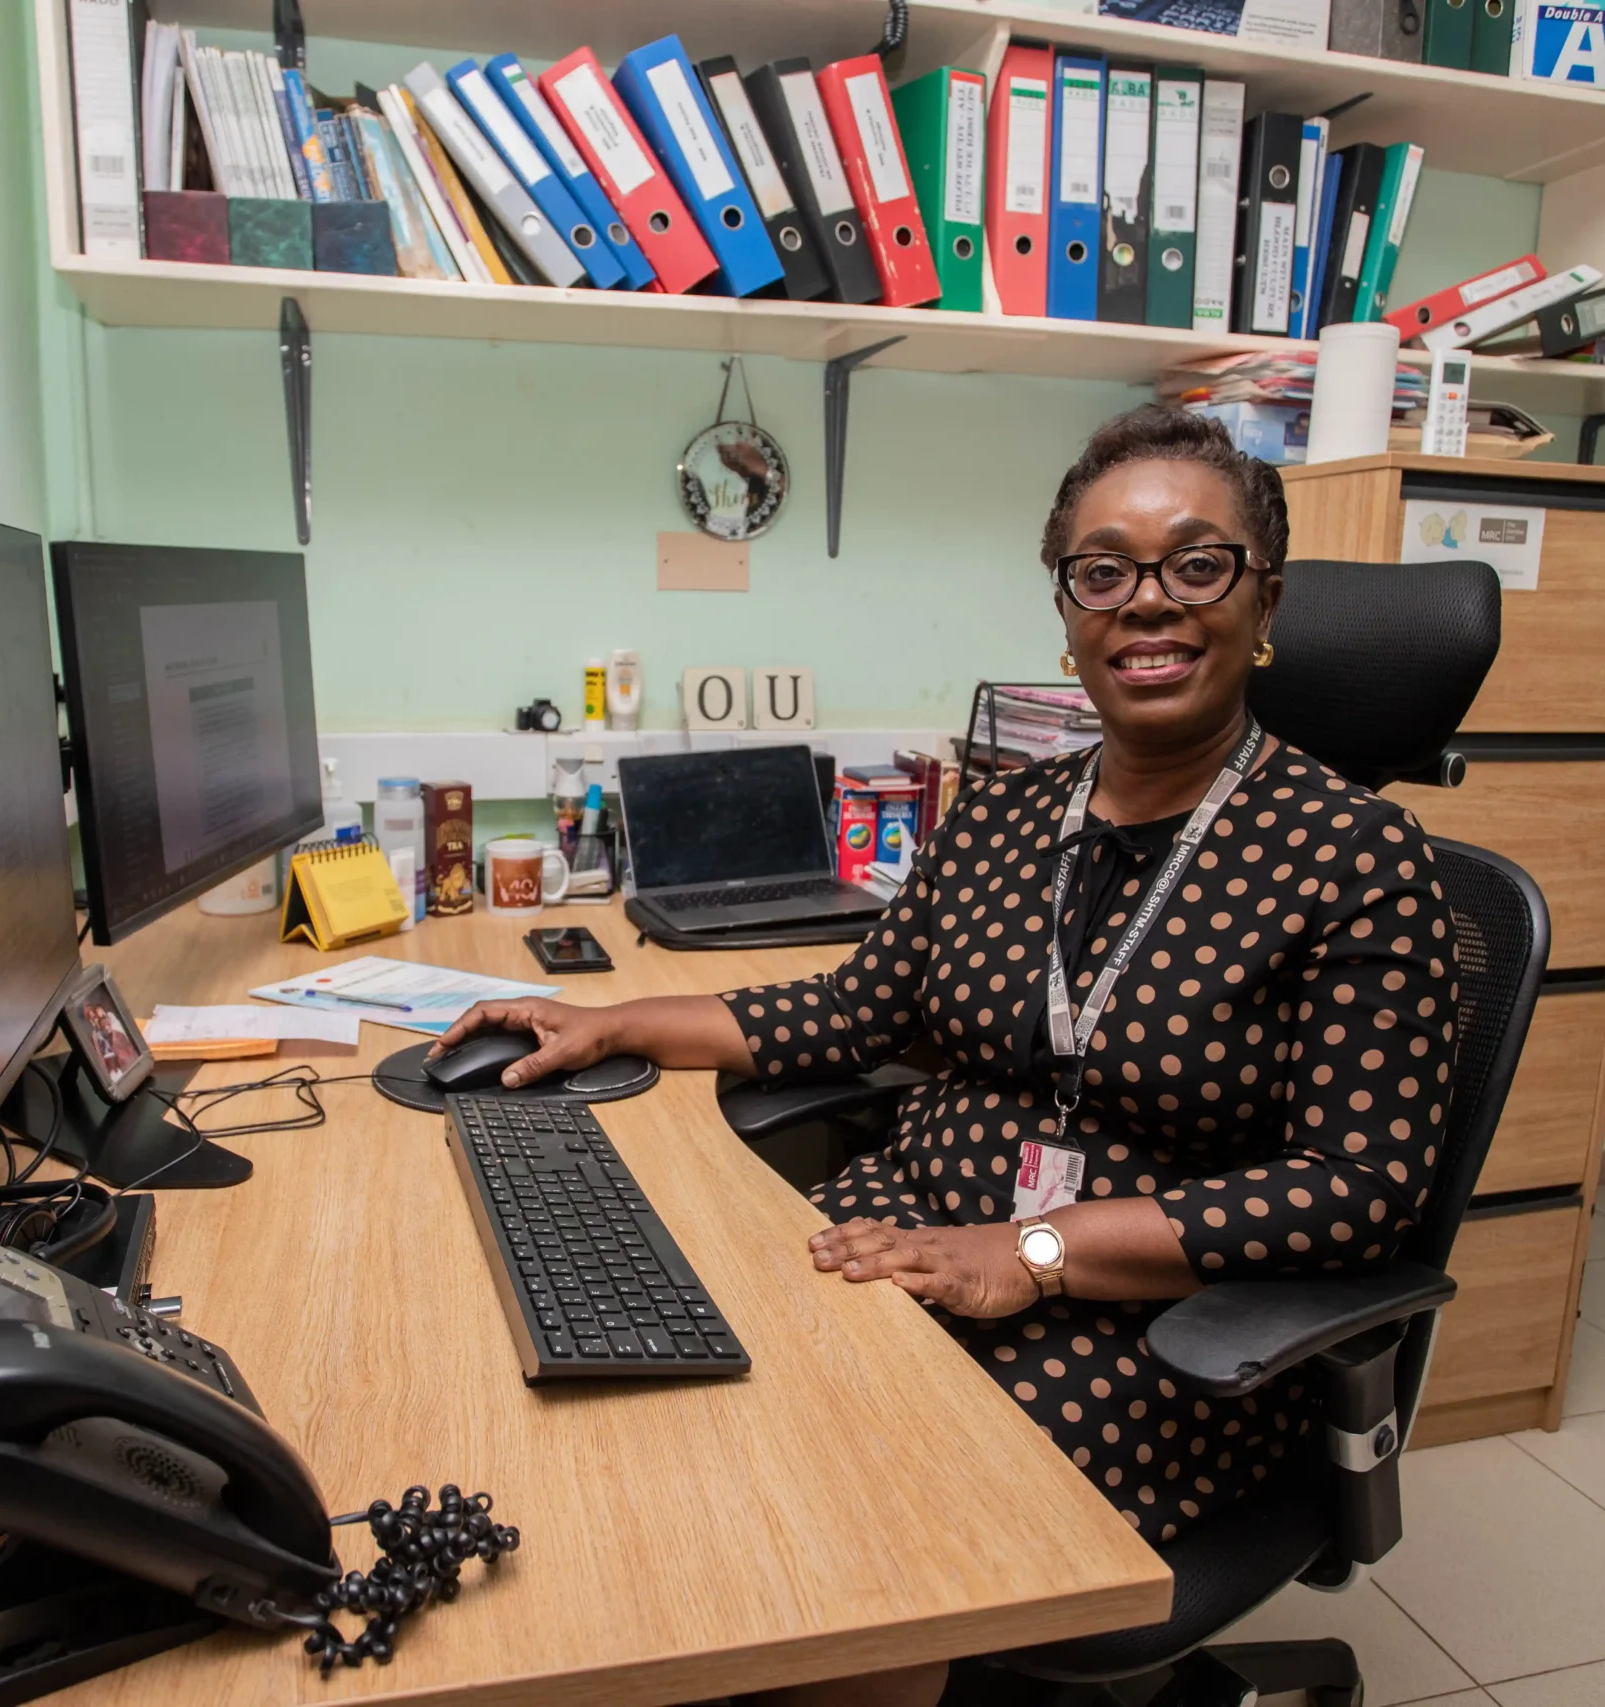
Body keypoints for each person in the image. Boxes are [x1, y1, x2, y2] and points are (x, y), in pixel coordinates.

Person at [434, 406, 1460, 1707]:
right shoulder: (1006, 815)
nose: (1147, 603)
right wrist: (617, 1020)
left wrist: (1038, 1252)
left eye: (1196, 564)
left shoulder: (1355, 856)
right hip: (905, 1235)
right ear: (1068, 613)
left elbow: (1357, 1187)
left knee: (864, 1537)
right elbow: (857, 1009)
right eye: (1104, 571)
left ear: (1265, 602)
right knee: (680, 1427)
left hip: (1150, 1322)